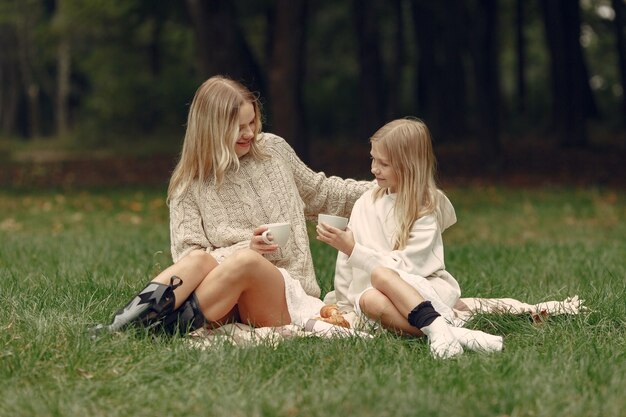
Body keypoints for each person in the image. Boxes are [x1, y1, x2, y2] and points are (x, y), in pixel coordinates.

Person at [90, 75, 371, 337]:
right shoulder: (187, 185)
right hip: (221, 303)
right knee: (201, 259)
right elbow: (189, 260)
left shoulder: (273, 151)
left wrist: (386, 186)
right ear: (211, 129)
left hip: (283, 296)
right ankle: (120, 327)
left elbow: (325, 193)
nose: (249, 133)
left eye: (252, 122)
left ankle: (159, 330)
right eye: (238, 127)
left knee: (247, 262)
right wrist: (245, 248)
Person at [316, 118, 503, 358]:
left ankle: (436, 325)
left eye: (384, 163)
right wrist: (344, 306)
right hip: (380, 304)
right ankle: (451, 332)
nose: (374, 168)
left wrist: (355, 251)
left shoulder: (425, 207)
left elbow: (408, 269)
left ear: (409, 166)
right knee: (368, 298)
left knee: (381, 274)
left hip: (422, 290)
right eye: (372, 158)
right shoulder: (365, 203)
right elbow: (345, 264)